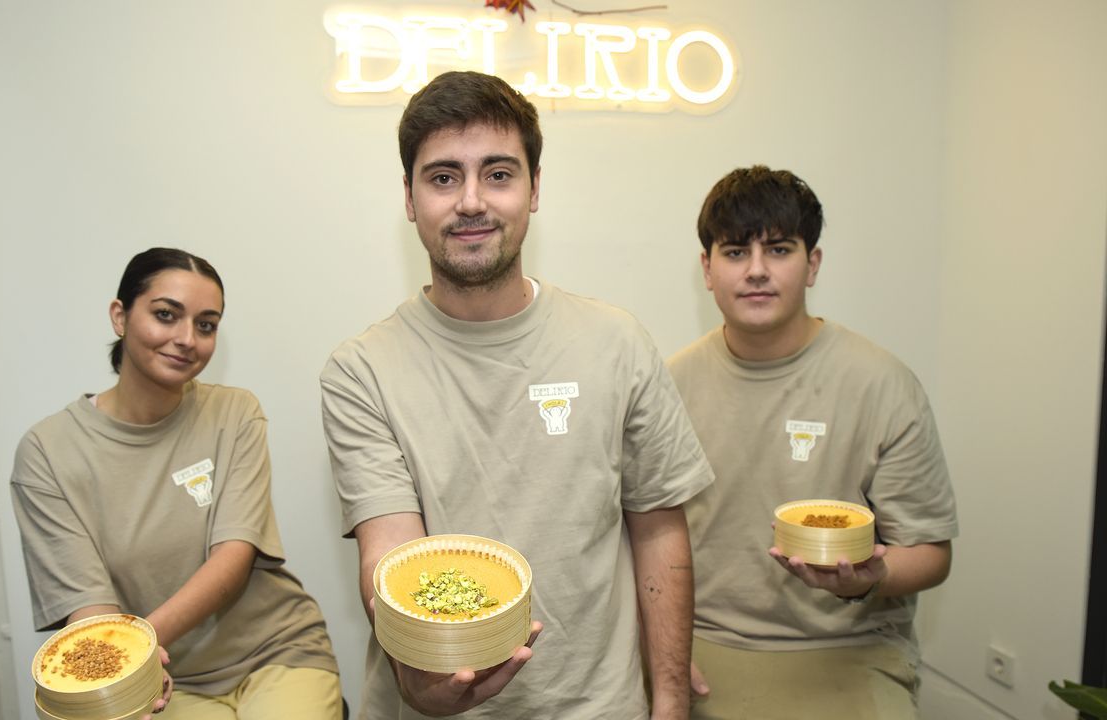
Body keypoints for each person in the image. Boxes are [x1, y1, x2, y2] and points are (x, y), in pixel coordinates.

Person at [320, 71, 714, 720]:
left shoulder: (617, 343)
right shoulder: (361, 370)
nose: (471, 200)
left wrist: (669, 702)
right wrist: (420, 676)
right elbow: (389, 552)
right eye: (443, 177)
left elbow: (660, 534)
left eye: (498, 174)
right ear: (410, 198)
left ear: (534, 191)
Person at [667, 166, 958, 718]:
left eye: (778, 249)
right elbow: (643, 538)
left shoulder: (881, 383)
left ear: (813, 263)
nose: (756, 271)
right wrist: (662, 651)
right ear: (707, 269)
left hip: (850, 647)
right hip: (704, 643)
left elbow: (931, 551)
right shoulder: (670, 384)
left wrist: (869, 579)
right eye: (734, 253)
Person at [11, 247, 341, 720]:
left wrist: (133, 650)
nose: (187, 339)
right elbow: (88, 607)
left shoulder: (234, 413)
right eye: (166, 316)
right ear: (120, 317)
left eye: (206, 325)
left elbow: (232, 561)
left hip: (275, 654)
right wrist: (131, 670)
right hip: (165, 677)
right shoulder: (47, 452)